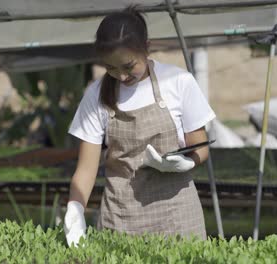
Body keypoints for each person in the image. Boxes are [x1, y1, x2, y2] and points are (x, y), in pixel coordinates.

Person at [63, 5, 216, 247]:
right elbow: (86, 169)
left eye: (128, 66)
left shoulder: (178, 82)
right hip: (121, 218)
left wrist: (188, 161)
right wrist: (75, 208)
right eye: (111, 68)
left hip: (177, 215)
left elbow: (201, 146)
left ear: (147, 47)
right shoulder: (95, 95)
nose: (121, 77)